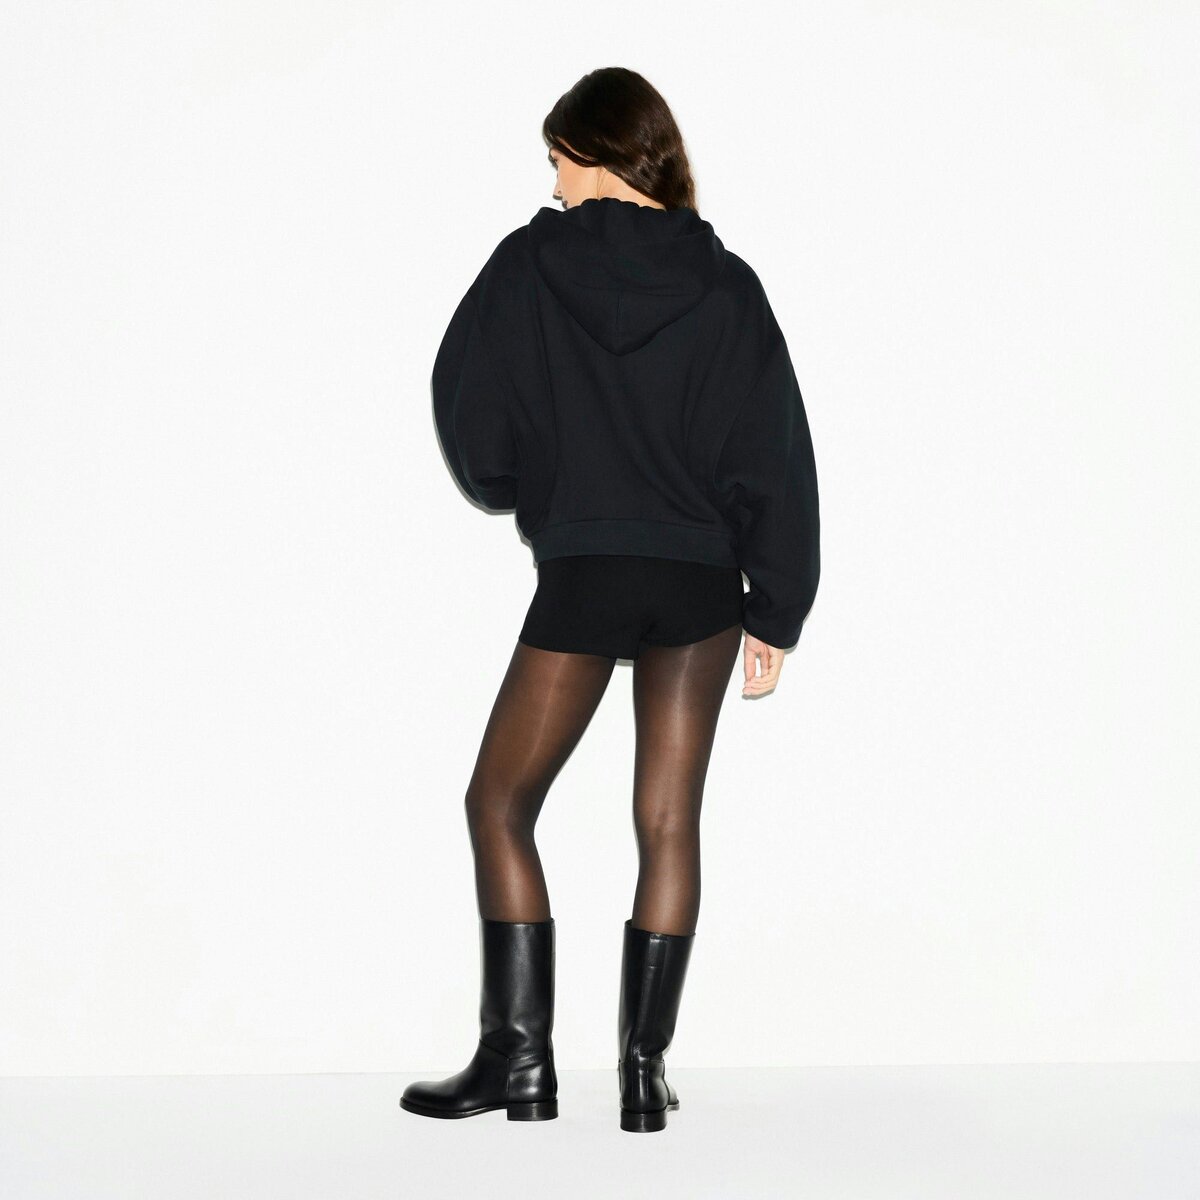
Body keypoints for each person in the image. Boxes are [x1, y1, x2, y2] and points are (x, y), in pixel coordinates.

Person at [400, 67, 820, 1133]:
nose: (553, 181)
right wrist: (776, 607)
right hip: (699, 584)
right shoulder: (726, 284)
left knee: (498, 804)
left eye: (558, 158)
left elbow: (463, 397)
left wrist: (516, 481)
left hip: (586, 570)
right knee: (668, 821)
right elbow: (773, 449)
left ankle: (518, 1063)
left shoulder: (530, 263)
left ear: (596, 154)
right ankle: (642, 1073)